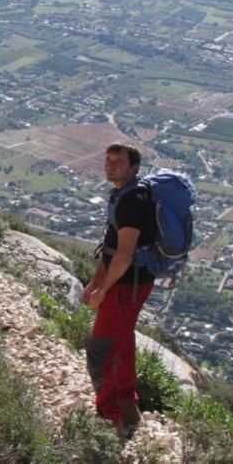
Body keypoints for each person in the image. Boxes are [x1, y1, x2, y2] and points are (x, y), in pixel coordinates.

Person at [83, 142, 157, 439]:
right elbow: (111, 247)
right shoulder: (122, 195)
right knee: (122, 346)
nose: (111, 165)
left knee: (101, 352)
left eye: (119, 161)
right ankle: (128, 409)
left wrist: (104, 291)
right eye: (108, 159)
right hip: (127, 283)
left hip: (128, 285)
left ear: (134, 167)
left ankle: (110, 421)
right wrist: (96, 281)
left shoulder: (133, 201)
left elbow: (124, 255)